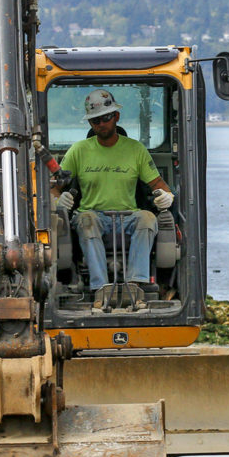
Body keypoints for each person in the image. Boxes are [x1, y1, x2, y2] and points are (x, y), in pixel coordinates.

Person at [55, 89, 174, 300]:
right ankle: (101, 288)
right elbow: (54, 187)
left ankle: (136, 284)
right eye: (95, 121)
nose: (101, 124)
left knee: (147, 218)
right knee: (86, 221)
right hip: (93, 214)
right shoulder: (78, 151)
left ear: (116, 117)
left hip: (128, 216)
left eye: (105, 118)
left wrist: (167, 196)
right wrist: (57, 199)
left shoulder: (135, 150)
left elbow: (159, 185)